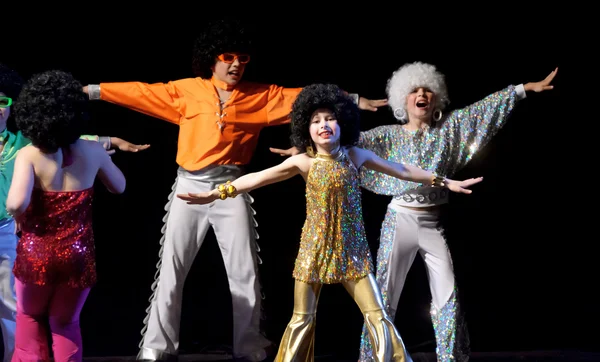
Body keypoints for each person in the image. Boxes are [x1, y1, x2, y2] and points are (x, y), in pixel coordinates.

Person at [81, 20, 386, 362]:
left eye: (243, 57)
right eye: (229, 56)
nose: (237, 64)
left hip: (231, 187)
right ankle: (157, 346)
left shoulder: (260, 96)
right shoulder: (187, 91)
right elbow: (142, 92)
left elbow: (305, 97)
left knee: (244, 269)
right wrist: (93, 90)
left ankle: (249, 345)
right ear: (212, 59)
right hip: (189, 186)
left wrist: (355, 99)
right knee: (172, 268)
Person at [178, 83, 483, 362]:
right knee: (301, 320)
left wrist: (444, 182)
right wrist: (217, 192)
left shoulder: (355, 155)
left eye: (329, 119)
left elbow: (401, 169)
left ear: (342, 123)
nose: (323, 125)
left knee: (378, 316)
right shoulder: (303, 162)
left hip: (353, 252)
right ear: (306, 130)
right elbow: (257, 178)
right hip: (313, 251)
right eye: (315, 121)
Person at [273, 63, 558, 361]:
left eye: (427, 90)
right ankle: (373, 358)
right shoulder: (385, 135)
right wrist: (303, 149)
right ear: (402, 100)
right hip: (400, 220)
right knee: (382, 294)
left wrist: (521, 90)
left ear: (436, 98)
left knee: (448, 293)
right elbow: (337, 143)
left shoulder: (451, 128)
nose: (421, 95)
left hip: (433, 223)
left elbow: (482, 109)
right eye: (414, 91)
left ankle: (450, 358)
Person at [0, 63, 147, 362]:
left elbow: (15, 204)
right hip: (78, 256)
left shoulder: (28, 152)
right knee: (66, 324)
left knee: (28, 318)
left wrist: (20, 216)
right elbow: (119, 187)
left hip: (36, 252)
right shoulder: (90, 153)